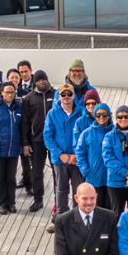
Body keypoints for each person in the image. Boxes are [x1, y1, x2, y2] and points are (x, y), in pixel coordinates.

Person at [43, 83, 82, 227]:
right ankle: (61, 220)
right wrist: (60, 154)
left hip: (76, 159)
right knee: (61, 189)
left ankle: (78, 219)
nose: (66, 97)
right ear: (59, 96)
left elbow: (84, 136)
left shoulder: (81, 112)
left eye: (69, 94)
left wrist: (76, 155)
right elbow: (48, 137)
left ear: (73, 96)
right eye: (63, 94)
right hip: (59, 160)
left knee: (78, 189)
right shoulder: (52, 114)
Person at [0, 80, 23, 214]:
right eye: (7, 92)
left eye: (12, 92)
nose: (10, 95)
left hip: (13, 148)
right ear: (1, 93)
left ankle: (11, 202)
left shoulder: (18, 107)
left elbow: (21, 127)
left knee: (11, 177)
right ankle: (0, 202)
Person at [20, 69, 52, 209]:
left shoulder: (56, 95)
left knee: (57, 171)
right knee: (36, 172)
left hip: (53, 140)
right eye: (39, 80)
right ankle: (38, 199)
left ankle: (59, 201)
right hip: (36, 140)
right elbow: (25, 122)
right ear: (35, 82)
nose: (42, 82)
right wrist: (25, 143)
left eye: (44, 79)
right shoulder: (28, 98)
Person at [74, 102, 114, 209]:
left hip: (112, 177)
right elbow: (80, 152)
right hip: (94, 177)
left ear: (109, 115)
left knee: (110, 209)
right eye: (98, 115)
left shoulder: (115, 132)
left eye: (104, 115)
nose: (101, 117)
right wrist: (85, 170)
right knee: (95, 208)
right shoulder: (87, 133)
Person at [102, 105, 128, 210]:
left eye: (126, 116)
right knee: (116, 213)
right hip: (115, 182)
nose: (123, 119)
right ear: (116, 118)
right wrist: (127, 173)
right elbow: (108, 159)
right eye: (120, 117)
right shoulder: (109, 137)